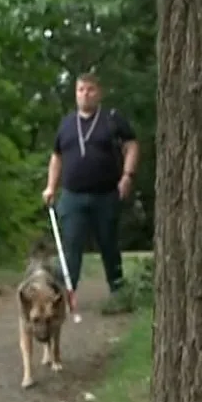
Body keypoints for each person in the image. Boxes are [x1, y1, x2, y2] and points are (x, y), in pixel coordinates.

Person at [42, 72, 139, 313]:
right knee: (71, 246)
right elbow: (56, 157)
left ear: (99, 93)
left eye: (90, 89)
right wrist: (51, 186)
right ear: (76, 93)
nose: (85, 94)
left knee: (109, 244)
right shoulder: (66, 123)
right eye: (81, 90)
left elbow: (132, 146)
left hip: (105, 194)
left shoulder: (111, 120)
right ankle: (64, 295)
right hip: (73, 195)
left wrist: (127, 176)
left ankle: (118, 292)